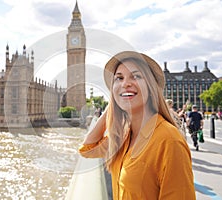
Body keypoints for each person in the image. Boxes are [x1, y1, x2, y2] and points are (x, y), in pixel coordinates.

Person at [79, 51, 195, 199]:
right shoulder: (124, 135)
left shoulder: (169, 141)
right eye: (119, 78)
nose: (125, 83)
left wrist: (122, 96)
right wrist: (113, 105)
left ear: (151, 88)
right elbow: (87, 149)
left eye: (136, 76)